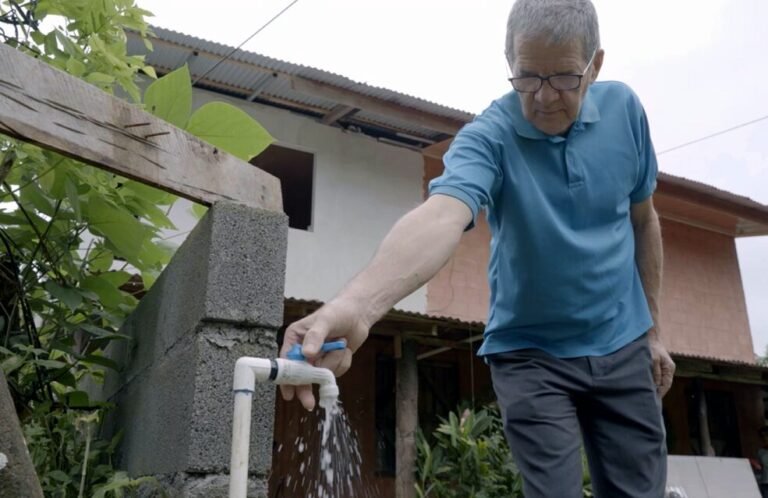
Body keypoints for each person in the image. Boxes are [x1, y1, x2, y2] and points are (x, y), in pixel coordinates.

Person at [280, 0, 676, 496]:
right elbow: (443, 213)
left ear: (595, 66)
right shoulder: (490, 136)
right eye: (527, 77)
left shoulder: (626, 112)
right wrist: (357, 308)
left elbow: (644, 219)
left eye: (565, 78)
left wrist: (655, 332)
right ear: (508, 61)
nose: (545, 97)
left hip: (624, 344)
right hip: (533, 354)